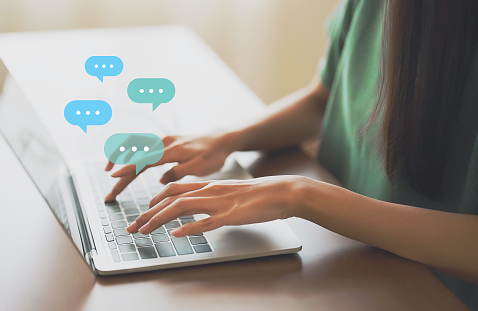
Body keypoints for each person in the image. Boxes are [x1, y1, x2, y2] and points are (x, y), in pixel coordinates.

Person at [105, 0, 478, 308]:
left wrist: (300, 195)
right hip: (350, 261)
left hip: (430, 292)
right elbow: (323, 98)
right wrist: (226, 138)